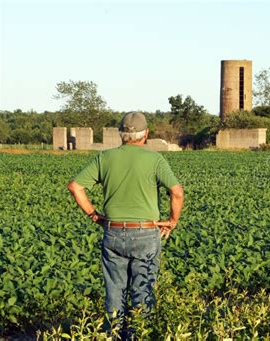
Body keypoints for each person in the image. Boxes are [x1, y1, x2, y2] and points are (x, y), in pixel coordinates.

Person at [67, 112, 184, 337]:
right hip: (146, 233)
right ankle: (140, 335)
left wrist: (94, 215)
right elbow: (177, 192)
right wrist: (172, 221)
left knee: (114, 289)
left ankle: (113, 335)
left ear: (121, 134)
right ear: (146, 134)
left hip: (113, 232)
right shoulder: (155, 160)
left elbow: (75, 186)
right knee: (142, 291)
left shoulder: (105, 158)